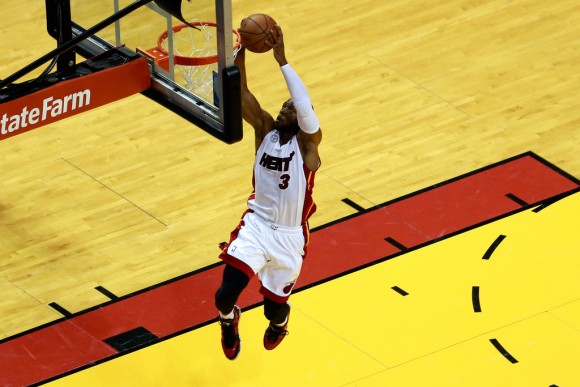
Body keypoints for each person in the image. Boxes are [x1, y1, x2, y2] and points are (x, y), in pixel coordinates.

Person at [214, 23, 322, 360]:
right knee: (223, 297)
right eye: (284, 105)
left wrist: (282, 61)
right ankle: (229, 322)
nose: (284, 109)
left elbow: (305, 109)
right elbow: (241, 91)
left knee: (273, 311)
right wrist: (240, 52)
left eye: (290, 108)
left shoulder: (308, 148)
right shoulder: (264, 131)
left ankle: (280, 323)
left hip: (289, 238)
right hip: (256, 227)